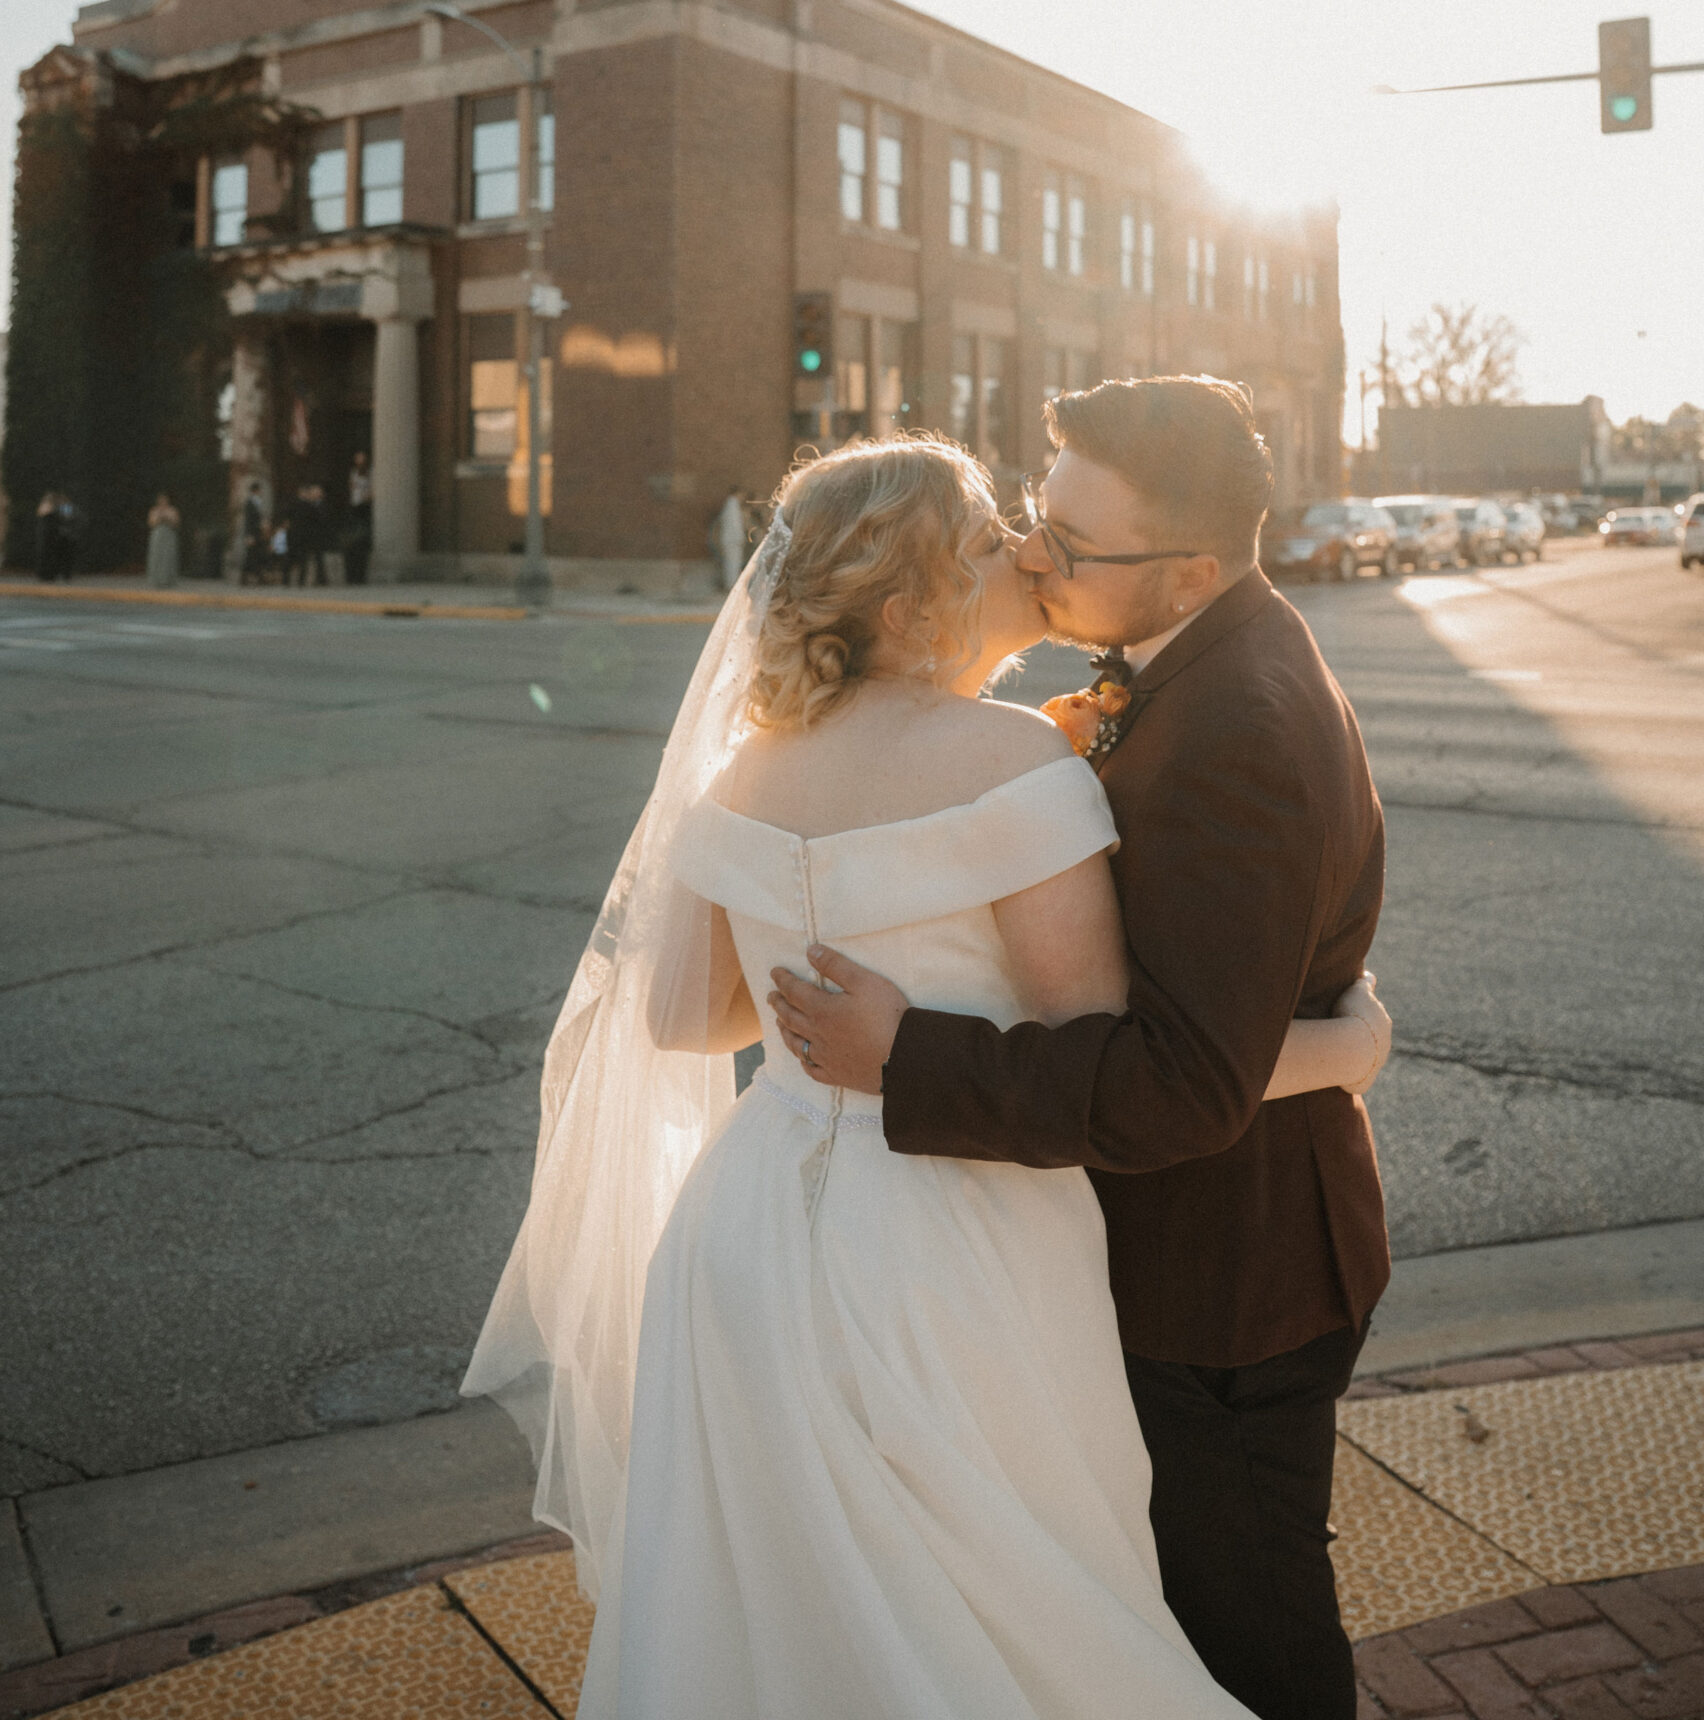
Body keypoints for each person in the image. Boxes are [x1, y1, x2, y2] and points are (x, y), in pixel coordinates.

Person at [465, 432, 1388, 1718]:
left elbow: (684, 1018)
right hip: (949, 1249)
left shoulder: (746, 766)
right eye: (982, 539)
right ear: (907, 607)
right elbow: (1115, 1060)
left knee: (774, 1614)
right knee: (1011, 1596)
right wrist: (1348, 1048)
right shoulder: (1015, 762)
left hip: (740, 1242)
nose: (1019, 549)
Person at [770, 380, 1390, 1720]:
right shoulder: (1200, 663)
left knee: (1247, 1638)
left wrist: (904, 1055)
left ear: (1190, 570)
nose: (1036, 556)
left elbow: (1183, 1083)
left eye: (1071, 543)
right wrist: (1336, 1040)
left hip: (1229, 1277)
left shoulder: (1236, 726)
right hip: (1195, 1247)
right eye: (1037, 520)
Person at [343, 452, 373, 585]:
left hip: (365, 504)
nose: (359, 460)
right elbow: (351, 486)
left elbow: (372, 488)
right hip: (355, 504)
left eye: (361, 458)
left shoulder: (370, 472)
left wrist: (367, 497)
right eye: (357, 458)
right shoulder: (354, 472)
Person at [145, 492, 181, 588]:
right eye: (161, 500)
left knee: (168, 556)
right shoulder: (154, 511)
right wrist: (159, 519)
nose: (163, 502)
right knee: (156, 556)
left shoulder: (172, 510)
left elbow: (176, 523)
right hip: (158, 535)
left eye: (164, 500)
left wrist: (168, 519)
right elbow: (151, 523)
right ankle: (156, 580)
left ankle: (168, 580)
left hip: (168, 535)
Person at [238, 482, 268, 586]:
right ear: (255, 491)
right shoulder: (249, 503)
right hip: (252, 533)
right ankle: (244, 577)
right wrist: (248, 535)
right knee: (250, 556)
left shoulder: (259, 502)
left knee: (257, 555)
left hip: (258, 533)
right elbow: (248, 521)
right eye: (260, 490)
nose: (261, 492)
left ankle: (259, 577)